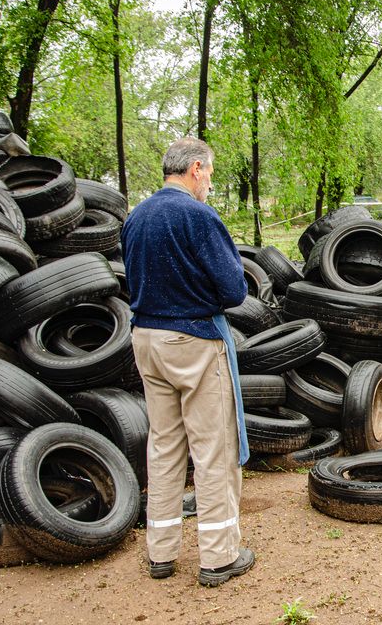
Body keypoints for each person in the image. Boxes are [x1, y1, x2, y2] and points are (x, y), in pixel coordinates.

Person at [122, 138, 255, 587]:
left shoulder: (135, 217)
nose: (209, 182)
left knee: (163, 447)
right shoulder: (197, 216)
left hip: (146, 339)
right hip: (194, 341)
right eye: (210, 173)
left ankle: (160, 553)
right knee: (213, 449)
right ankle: (219, 557)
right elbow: (235, 291)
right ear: (196, 168)